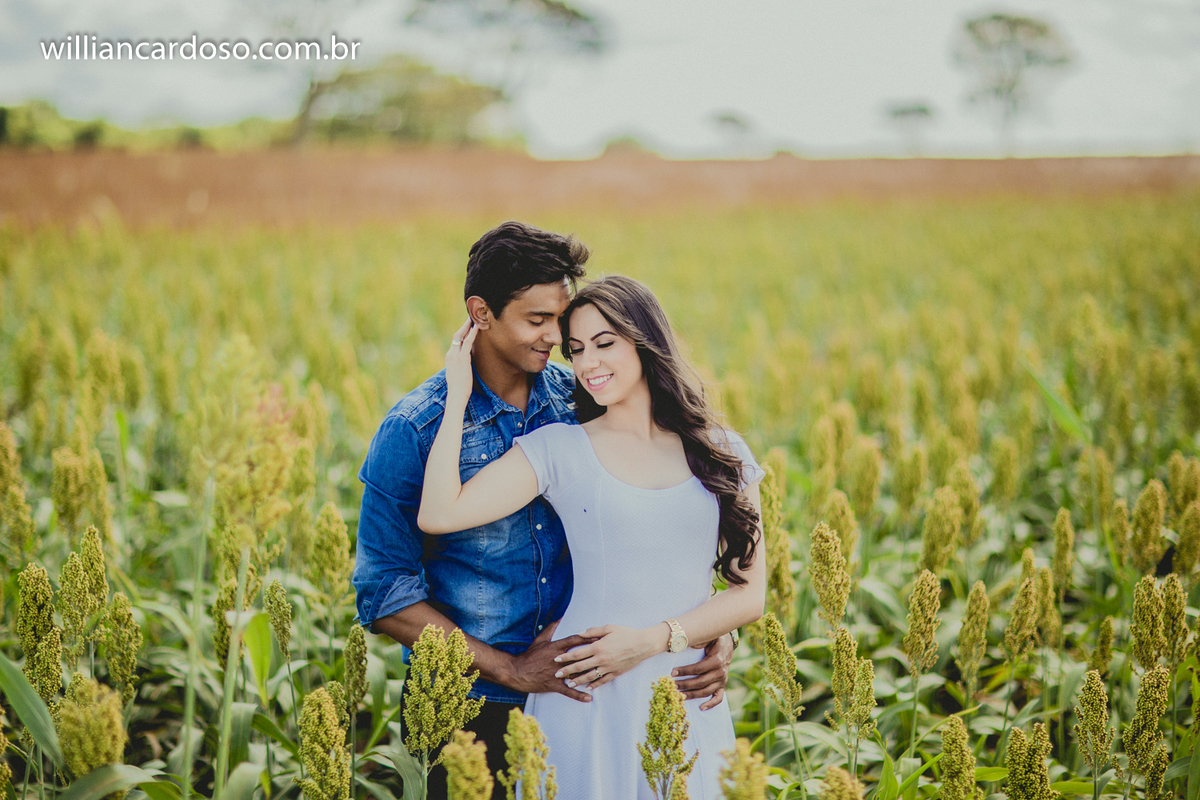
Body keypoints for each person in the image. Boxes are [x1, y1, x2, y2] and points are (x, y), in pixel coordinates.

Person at [351, 223, 735, 799]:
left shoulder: (579, 400)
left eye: (562, 318)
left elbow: (654, 523)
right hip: (465, 707)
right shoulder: (415, 428)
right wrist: (509, 670)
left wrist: (706, 633)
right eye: (538, 320)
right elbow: (384, 594)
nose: (557, 337)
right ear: (480, 313)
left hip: (588, 691)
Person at [418, 275, 767, 799]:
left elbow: (750, 594)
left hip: (685, 691)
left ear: (646, 343)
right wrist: (457, 395)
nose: (587, 364)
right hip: (586, 692)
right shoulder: (560, 449)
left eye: (605, 344)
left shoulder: (724, 451)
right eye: (576, 350)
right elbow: (440, 513)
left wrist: (651, 641)